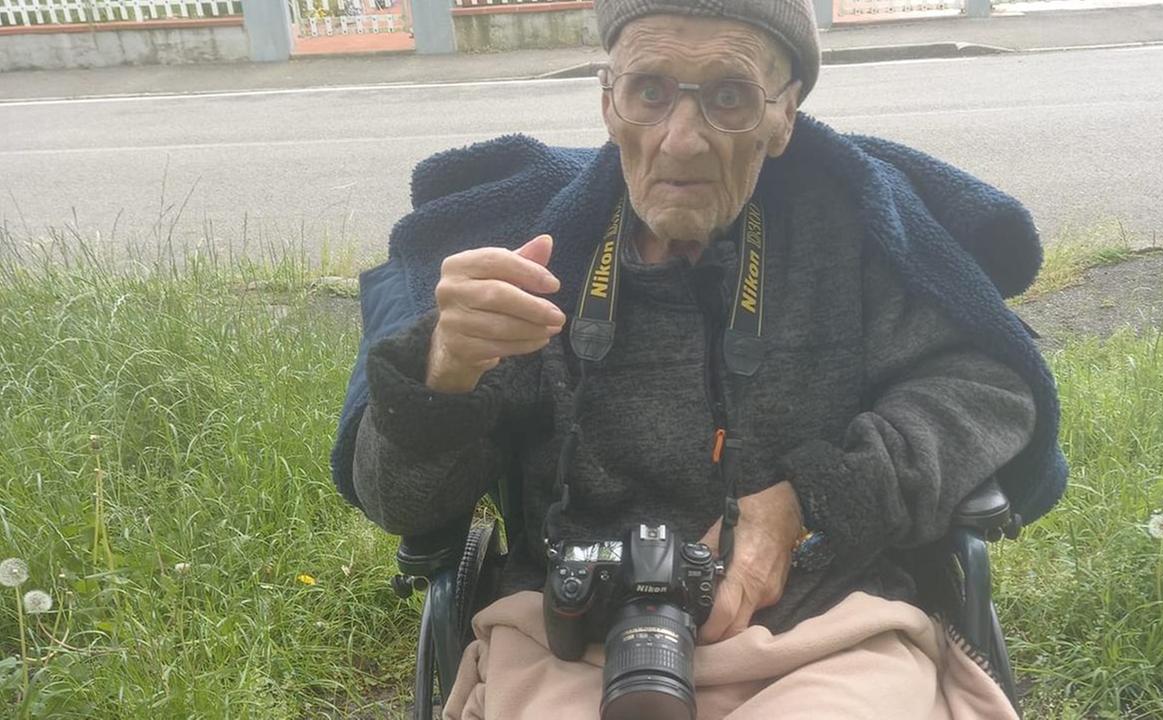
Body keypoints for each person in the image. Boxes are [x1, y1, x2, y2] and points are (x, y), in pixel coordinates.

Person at [331, 1, 1067, 717]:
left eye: (729, 96)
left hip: (824, 632)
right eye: (649, 91)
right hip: (570, 640)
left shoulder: (849, 233)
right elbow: (401, 502)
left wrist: (810, 501)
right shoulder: (538, 258)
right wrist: (444, 372)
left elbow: (989, 387)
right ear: (607, 103)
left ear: (785, 114)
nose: (681, 140)